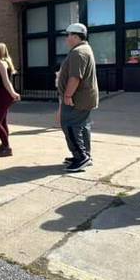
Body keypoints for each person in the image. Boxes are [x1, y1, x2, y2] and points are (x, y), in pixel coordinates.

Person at [56, 23, 99, 173]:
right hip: (85, 97)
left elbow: (75, 77)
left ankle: (81, 157)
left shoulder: (78, 52)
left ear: (75, 36)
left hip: (77, 99)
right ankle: (84, 154)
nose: (66, 39)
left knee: (69, 124)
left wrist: (67, 95)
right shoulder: (84, 49)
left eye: (68, 35)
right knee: (82, 125)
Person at [0, 43, 21, 157]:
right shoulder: (2, 62)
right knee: (2, 121)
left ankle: (6, 147)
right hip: (3, 94)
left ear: (0, 51)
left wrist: (13, 93)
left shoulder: (1, 63)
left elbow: (6, 81)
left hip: (5, 95)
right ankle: (4, 145)